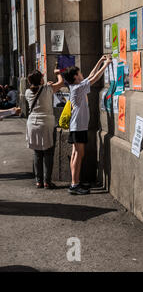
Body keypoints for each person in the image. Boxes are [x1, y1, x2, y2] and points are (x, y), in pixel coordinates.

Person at [64, 55, 112, 195]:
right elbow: (94, 79)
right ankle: (74, 184)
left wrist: (100, 61)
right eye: (79, 73)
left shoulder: (77, 86)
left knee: (76, 154)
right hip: (78, 127)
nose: (81, 74)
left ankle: (75, 182)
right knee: (79, 154)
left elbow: (90, 76)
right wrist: (106, 64)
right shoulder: (78, 88)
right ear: (75, 77)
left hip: (77, 126)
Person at [25, 69, 65, 189]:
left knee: (37, 152)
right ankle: (47, 181)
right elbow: (61, 82)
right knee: (48, 152)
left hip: (32, 123)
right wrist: (58, 73)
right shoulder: (48, 89)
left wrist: (47, 85)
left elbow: (38, 89)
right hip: (46, 124)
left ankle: (38, 181)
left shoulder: (27, 92)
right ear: (41, 79)